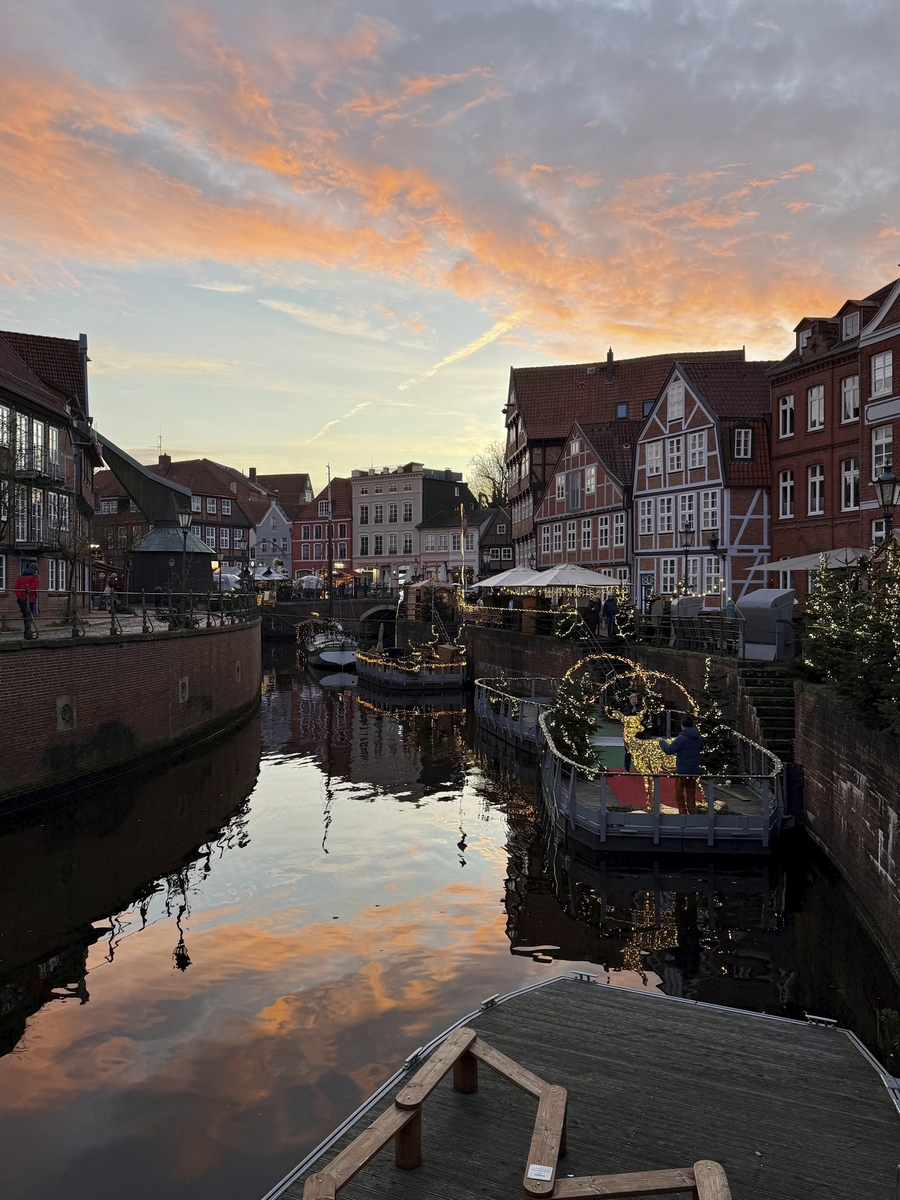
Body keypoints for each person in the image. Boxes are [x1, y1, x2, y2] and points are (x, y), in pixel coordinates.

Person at [658, 715, 704, 815]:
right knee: (691, 793)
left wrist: (661, 742)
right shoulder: (698, 738)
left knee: (678, 793)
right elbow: (701, 748)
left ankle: (682, 813)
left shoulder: (681, 738)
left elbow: (669, 750)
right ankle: (692, 814)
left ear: (682, 726)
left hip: (682, 771)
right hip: (694, 771)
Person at [14, 563, 39, 637]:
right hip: (30, 599)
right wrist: (27, 595)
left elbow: (16, 587)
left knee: (25, 615)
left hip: (21, 599)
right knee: (30, 614)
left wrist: (20, 596)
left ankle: (27, 631)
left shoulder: (21, 577)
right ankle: (28, 631)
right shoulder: (36, 577)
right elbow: (34, 586)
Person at [623, 693, 642, 772]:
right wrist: (631, 712)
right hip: (629, 733)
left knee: (640, 750)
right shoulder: (627, 708)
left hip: (639, 733)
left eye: (635, 699)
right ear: (630, 700)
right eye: (632, 699)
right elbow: (625, 718)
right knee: (628, 751)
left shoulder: (640, 708)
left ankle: (639, 766)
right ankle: (627, 768)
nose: (634, 701)